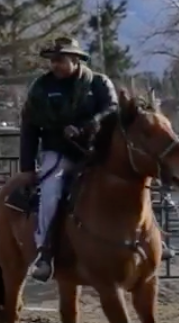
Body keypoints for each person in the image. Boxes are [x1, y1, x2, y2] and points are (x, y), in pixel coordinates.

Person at [18, 36, 118, 283]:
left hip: (96, 150)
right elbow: (30, 127)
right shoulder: (41, 88)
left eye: (60, 60)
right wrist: (27, 168)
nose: (55, 65)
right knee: (51, 190)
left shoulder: (98, 83)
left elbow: (112, 109)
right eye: (52, 60)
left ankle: (151, 236)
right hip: (58, 150)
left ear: (75, 60)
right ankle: (45, 251)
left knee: (130, 180)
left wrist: (87, 126)